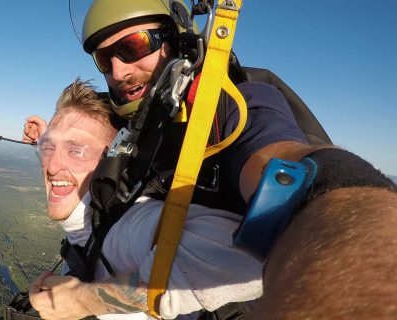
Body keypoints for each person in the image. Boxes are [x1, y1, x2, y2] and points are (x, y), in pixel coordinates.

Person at [23, 0, 397, 318]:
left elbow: (299, 176)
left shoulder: (231, 108)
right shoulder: (151, 115)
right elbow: (89, 130)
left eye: (133, 46)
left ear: (176, 40)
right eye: (105, 58)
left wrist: (82, 300)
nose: (119, 71)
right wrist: (47, 136)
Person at [29, 79, 262, 320]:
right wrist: (42, 137)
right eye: (48, 149)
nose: (52, 166)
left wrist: (85, 300)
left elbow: (254, 258)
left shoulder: (131, 228)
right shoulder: (92, 218)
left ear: (111, 162)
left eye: (76, 150)